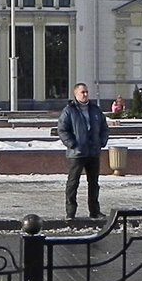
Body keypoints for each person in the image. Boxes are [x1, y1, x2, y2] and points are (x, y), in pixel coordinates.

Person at [56, 82, 109, 220]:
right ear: (75, 94)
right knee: (73, 183)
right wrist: (72, 144)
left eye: (86, 92)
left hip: (93, 152)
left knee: (94, 184)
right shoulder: (69, 110)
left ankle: (94, 211)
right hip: (77, 153)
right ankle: (70, 213)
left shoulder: (95, 109)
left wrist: (102, 142)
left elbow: (104, 127)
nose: (85, 95)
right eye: (82, 92)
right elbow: (62, 130)